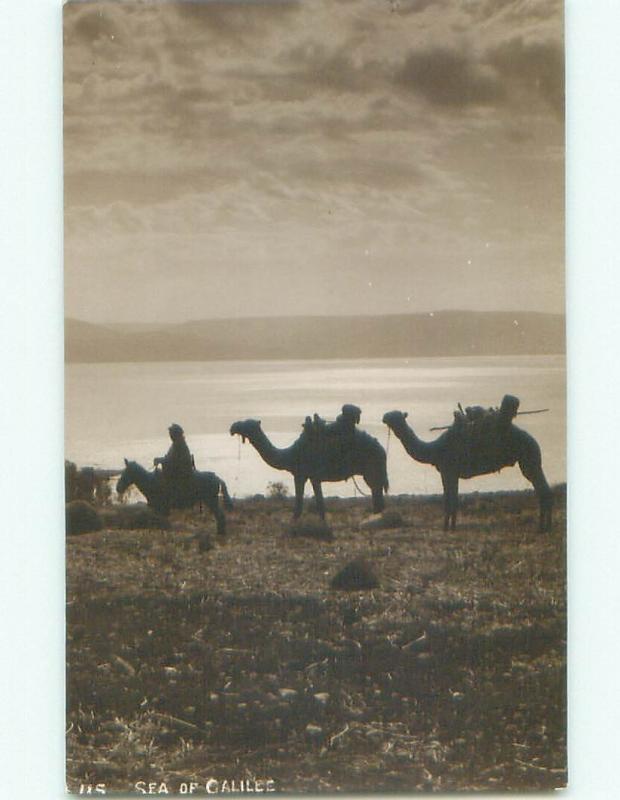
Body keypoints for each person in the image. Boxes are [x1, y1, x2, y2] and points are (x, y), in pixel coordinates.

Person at [154, 424, 195, 505]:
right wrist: (161, 459)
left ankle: (168, 501)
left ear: (175, 434)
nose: (170, 436)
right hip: (177, 470)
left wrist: (161, 460)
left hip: (181, 473)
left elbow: (173, 460)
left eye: (171, 434)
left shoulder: (179, 445)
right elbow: (169, 457)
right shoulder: (175, 444)